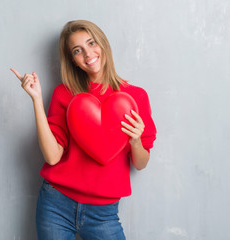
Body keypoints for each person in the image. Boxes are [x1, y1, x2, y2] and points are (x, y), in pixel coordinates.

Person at [11, 20, 156, 240]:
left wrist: (136, 141)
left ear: (103, 44)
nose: (88, 54)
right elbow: (52, 157)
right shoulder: (64, 93)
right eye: (77, 50)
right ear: (74, 61)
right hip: (55, 206)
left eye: (91, 43)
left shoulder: (135, 97)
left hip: (104, 214)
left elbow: (141, 163)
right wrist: (37, 100)